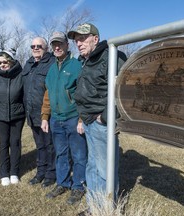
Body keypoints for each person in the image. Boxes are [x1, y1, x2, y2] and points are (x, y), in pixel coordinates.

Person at [67, 23, 127, 214]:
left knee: (104, 169)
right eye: (76, 39)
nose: (79, 43)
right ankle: (95, 206)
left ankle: (108, 208)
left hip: (102, 122)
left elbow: (123, 90)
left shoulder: (111, 55)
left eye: (83, 38)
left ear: (95, 38)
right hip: (88, 121)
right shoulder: (85, 60)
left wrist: (105, 117)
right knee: (92, 166)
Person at [41, 31, 87, 205]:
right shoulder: (52, 69)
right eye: (54, 44)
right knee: (61, 154)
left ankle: (78, 187)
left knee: (79, 155)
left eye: (60, 43)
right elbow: (47, 95)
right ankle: (62, 183)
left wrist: (82, 119)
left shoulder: (77, 66)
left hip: (73, 118)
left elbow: (83, 95)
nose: (57, 47)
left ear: (67, 45)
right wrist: (45, 116)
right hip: (56, 119)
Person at [22, 37, 56, 188]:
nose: (36, 48)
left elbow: (52, 89)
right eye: (33, 46)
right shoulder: (28, 64)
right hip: (31, 114)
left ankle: (51, 174)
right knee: (40, 145)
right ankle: (40, 172)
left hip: (46, 115)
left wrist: (46, 114)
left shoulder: (52, 63)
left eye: (39, 46)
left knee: (50, 145)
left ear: (46, 48)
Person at [0, 48, 25, 186]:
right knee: (3, 144)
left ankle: (14, 172)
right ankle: (4, 173)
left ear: (11, 61)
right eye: (0, 63)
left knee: (15, 143)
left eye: (5, 62)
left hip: (17, 115)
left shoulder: (20, 74)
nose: (2, 65)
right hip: (0, 115)